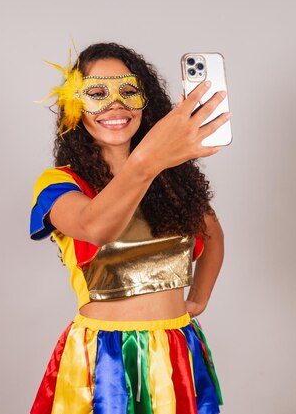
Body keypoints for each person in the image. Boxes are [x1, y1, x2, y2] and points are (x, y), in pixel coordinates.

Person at [29, 42, 230, 414]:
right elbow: (95, 227)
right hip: (104, 359)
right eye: (96, 93)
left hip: (176, 350)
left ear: (145, 101)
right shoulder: (59, 184)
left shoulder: (172, 182)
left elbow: (213, 235)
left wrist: (198, 299)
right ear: (74, 106)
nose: (114, 105)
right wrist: (150, 158)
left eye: (128, 91)